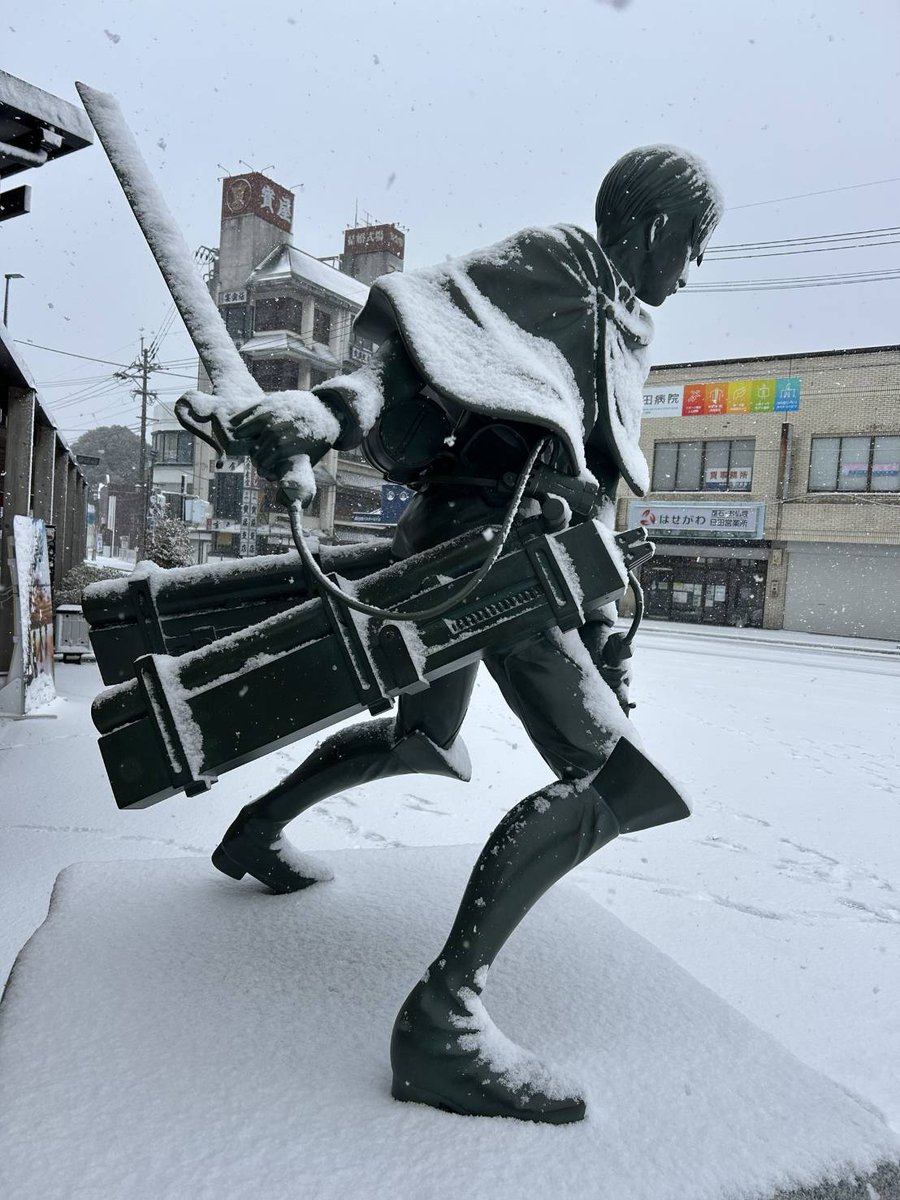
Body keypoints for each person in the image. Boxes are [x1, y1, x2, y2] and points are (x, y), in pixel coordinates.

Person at [182, 144, 722, 1124]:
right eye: (694, 245)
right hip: (490, 557)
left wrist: (605, 627)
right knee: (616, 781)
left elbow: (578, 472)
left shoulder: (620, 323)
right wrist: (334, 405)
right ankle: (444, 1024)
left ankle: (255, 833)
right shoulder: (557, 261)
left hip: (504, 554)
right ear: (651, 229)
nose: (694, 269)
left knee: (425, 738)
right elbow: (410, 321)